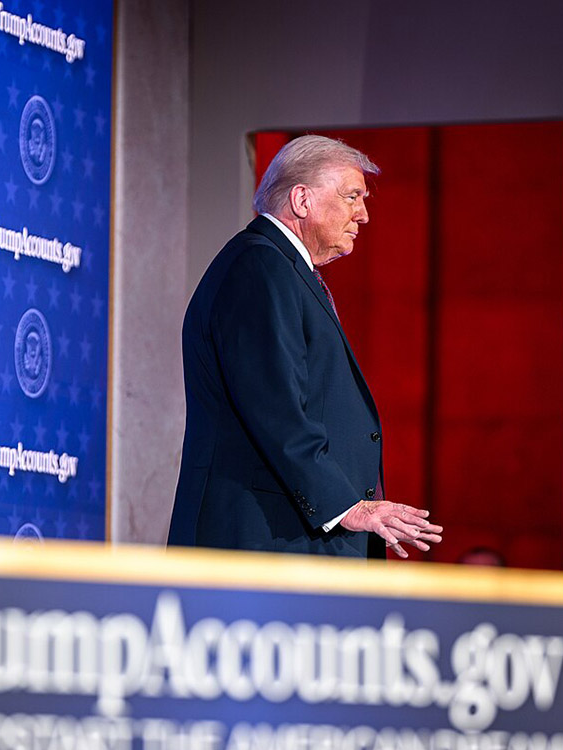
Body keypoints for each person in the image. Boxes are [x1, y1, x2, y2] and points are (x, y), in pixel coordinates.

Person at [168, 135, 443, 558]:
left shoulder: (281, 268)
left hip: (288, 539)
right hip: (263, 543)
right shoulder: (259, 267)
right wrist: (346, 506)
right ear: (301, 200)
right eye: (352, 196)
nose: (364, 215)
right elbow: (275, 405)